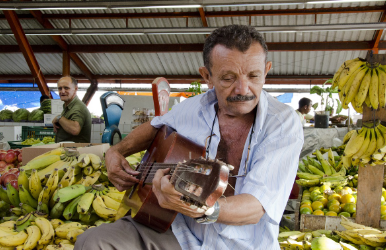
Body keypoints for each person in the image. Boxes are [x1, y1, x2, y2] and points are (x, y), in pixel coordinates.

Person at [75, 25, 303, 250]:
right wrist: (116, 151)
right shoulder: (193, 107)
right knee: (93, 241)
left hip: (243, 244)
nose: (242, 89)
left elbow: (256, 207)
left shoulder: (282, 123)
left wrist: (204, 209)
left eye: (253, 76)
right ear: (207, 76)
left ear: (266, 70)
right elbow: (155, 127)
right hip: (178, 233)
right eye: (228, 78)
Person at [52, 76, 91, 143]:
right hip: (67, 151)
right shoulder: (68, 105)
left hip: (75, 152)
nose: (62, 91)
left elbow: (75, 130)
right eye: (60, 88)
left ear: (75, 89)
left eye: (66, 88)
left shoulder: (78, 107)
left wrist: (59, 118)